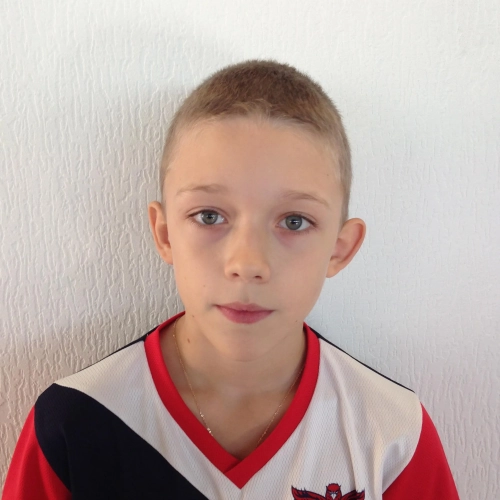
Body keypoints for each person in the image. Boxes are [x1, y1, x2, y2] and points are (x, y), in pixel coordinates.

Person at [3, 60, 460, 499]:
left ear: (340, 248)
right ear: (165, 234)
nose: (247, 263)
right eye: (209, 216)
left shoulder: (393, 434)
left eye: (295, 221)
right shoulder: (76, 421)